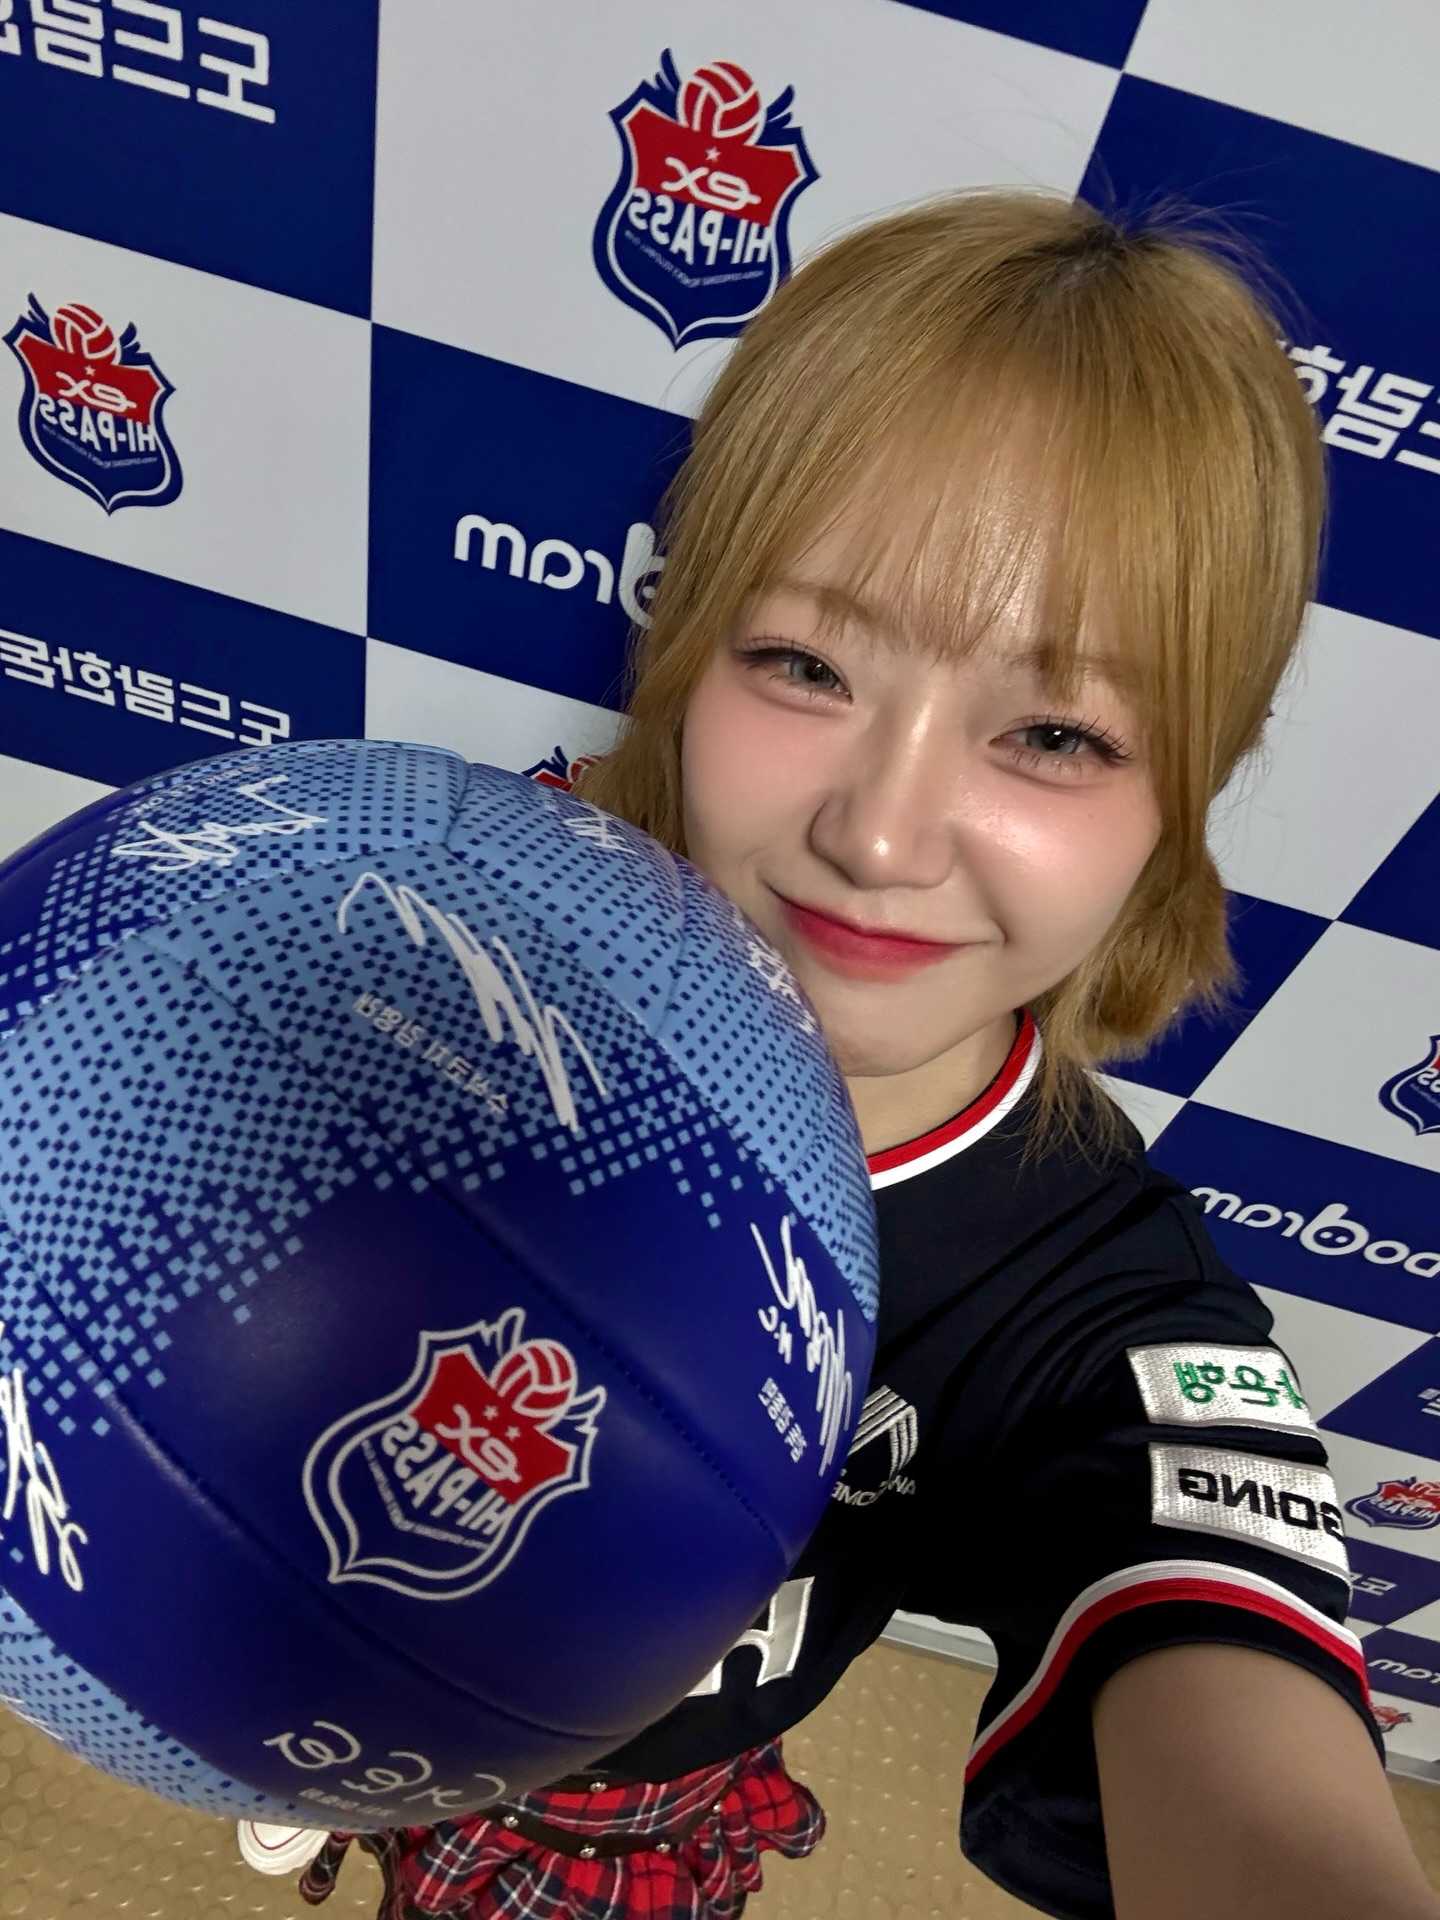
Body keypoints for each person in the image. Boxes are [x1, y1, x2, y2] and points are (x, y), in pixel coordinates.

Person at [275, 191, 1439, 1920]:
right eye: (805, 661)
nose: (881, 834)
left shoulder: (1088, 1296)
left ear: (1182, 793)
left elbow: (1235, 1699)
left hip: (608, 1811)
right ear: (684, 648)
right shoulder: (449, 937)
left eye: (1056, 733)